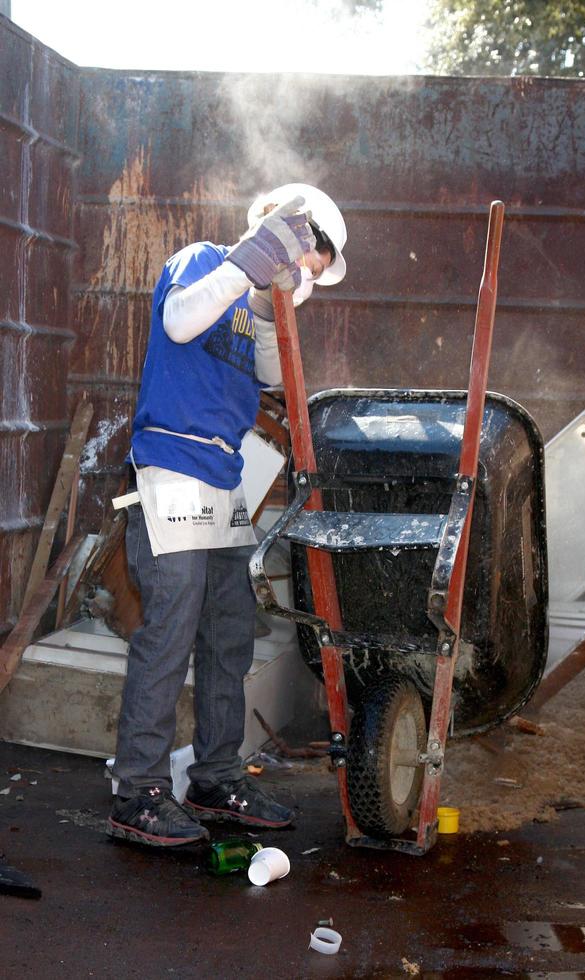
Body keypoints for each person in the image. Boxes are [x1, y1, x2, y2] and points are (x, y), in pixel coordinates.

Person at [107, 184, 347, 847]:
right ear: (286, 235)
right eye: (306, 263)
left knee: (228, 631)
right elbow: (181, 321)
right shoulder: (204, 261)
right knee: (171, 629)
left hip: (223, 477)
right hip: (174, 465)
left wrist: (270, 306)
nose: (304, 280)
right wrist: (250, 261)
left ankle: (214, 776)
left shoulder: (250, 300)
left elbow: (270, 374)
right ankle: (139, 791)